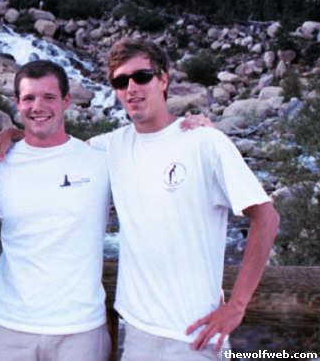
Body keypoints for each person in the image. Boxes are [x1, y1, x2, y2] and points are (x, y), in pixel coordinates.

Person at [88, 38, 279, 360]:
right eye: (121, 82)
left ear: (163, 80)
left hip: (195, 337)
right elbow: (54, 147)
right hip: (137, 333)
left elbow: (267, 217)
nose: (131, 88)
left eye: (141, 77)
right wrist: (8, 135)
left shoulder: (204, 141)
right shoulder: (111, 146)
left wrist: (237, 306)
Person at [0, 60, 112, 361]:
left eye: (49, 97)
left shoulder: (99, 162)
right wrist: (6, 134)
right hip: (7, 327)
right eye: (29, 98)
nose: (38, 106)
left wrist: (194, 128)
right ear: (17, 103)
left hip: (80, 330)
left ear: (66, 100)